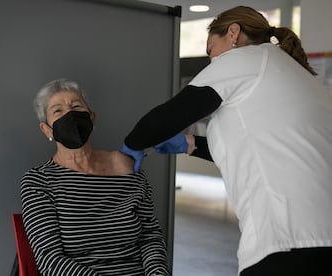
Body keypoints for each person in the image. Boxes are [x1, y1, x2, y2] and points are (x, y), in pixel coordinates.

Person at [120, 6, 332, 276]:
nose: (211, 61)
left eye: (211, 49)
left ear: (233, 33)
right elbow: (259, 146)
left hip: (290, 239)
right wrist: (191, 144)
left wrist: (131, 145)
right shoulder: (293, 72)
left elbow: (165, 118)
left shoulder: (242, 60)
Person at [20, 79, 170, 276]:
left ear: (92, 118)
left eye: (76, 106)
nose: (70, 115)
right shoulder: (38, 182)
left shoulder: (125, 166)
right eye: (58, 111)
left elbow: (150, 236)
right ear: (47, 130)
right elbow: (50, 260)